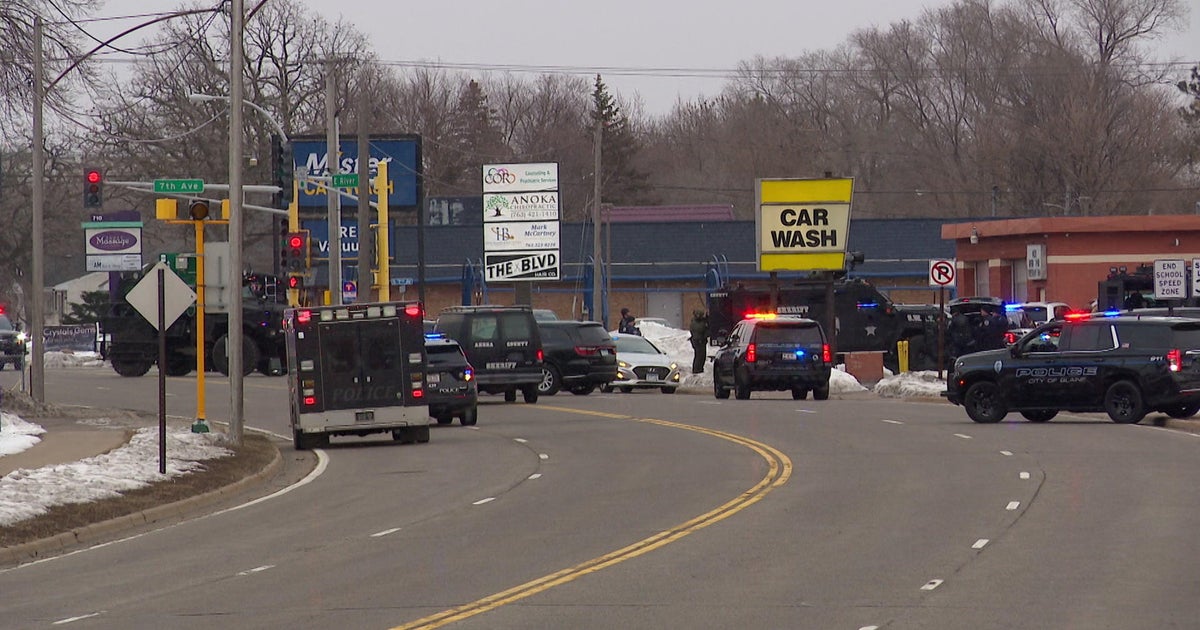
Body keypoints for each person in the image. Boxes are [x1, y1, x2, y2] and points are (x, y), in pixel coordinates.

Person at [688, 308, 709, 373]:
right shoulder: (696, 323)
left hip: (699, 341)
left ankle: (699, 369)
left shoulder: (697, 321)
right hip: (698, 341)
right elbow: (700, 329)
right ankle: (697, 370)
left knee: (701, 356)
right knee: (699, 356)